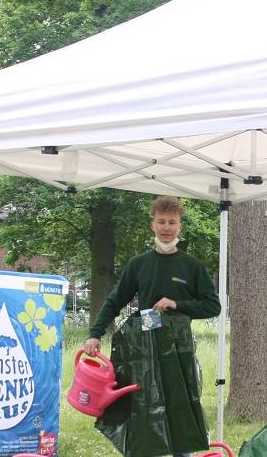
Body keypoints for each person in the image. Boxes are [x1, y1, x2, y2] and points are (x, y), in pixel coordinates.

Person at [82, 195, 220, 457]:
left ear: (180, 226)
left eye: (172, 222)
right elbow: (114, 301)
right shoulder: (139, 264)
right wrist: (95, 334)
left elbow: (213, 306)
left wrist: (176, 304)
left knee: (181, 406)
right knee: (144, 409)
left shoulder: (192, 266)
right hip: (144, 349)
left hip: (179, 349)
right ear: (152, 225)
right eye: (161, 222)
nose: (166, 227)